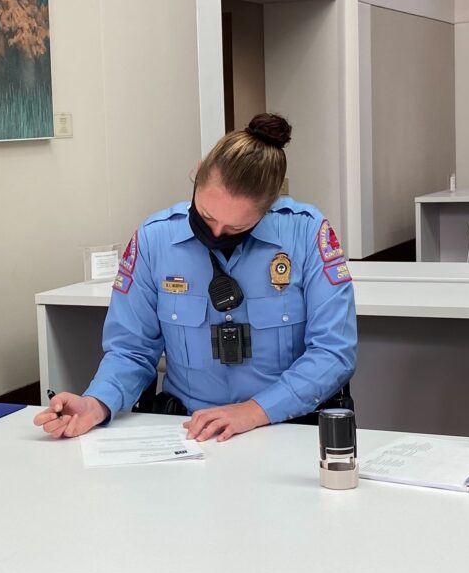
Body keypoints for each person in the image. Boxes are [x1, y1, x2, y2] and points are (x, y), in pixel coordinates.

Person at [34, 113, 357, 442]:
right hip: (189, 433)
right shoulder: (154, 240)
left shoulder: (307, 234)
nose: (216, 232)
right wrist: (96, 403)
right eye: (206, 215)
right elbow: (132, 349)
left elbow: (333, 352)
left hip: (284, 427)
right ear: (198, 174)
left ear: (269, 205)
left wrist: (254, 411)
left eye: (235, 228)